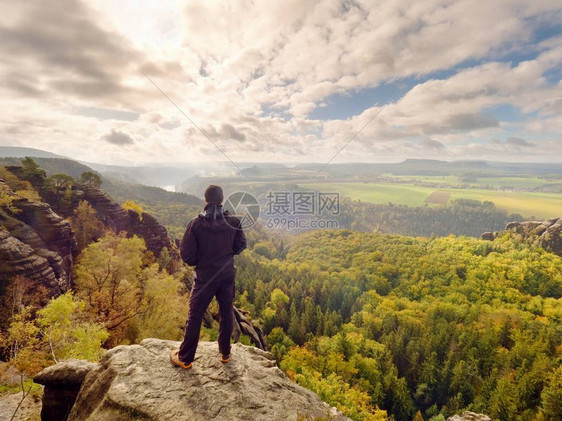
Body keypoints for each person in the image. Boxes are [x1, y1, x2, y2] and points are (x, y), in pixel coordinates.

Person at [170, 185, 247, 369]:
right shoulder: (233, 222)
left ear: (205, 200)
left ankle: (186, 358)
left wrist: (203, 260)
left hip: (205, 277)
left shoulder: (196, 224)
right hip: (227, 274)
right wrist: (226, 255)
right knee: (226, 312)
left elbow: (187, 256)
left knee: (195, 316)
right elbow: (241, 245)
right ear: (222, 200)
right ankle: (225, 353)